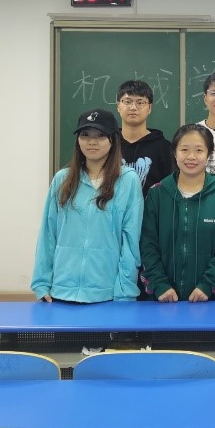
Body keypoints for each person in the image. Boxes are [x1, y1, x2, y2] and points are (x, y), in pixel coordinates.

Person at [31, 108, 142, 303]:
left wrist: (125, 290)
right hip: (61, 292)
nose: (92, 142)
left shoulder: (128, 180)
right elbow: (48, 234)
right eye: (85, 135)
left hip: (108, 295)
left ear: (113, 140)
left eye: (100, 136)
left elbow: (131, 240)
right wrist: (41, 283)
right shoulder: (62, 179)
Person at [140, 124, 215, 302]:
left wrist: (207, 285)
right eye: (184, 149)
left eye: (199, 150)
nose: (191, 157)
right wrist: (160, 285)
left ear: (209, 154)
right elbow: (147, 245)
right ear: (174, 153)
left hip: (210, 301)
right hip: (162, 301)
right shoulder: (157, 194)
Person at [116, 79, 172, 198]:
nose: (133, 107)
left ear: (150, 108)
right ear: (118, 106)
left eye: (140, 102)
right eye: (127, 102)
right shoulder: (107, 144)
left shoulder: (165, 148)